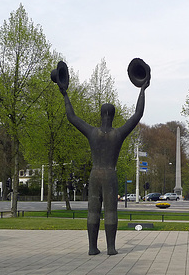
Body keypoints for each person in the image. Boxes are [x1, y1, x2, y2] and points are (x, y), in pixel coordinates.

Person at [51, 59, 150, 255]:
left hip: (95, 174)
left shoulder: (92, 133)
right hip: (110, 174)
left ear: (100, 115)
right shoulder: (118, 134)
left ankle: (92, 247)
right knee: (111, 211)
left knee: (93, 211)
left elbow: (72, 117)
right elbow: (137, 114)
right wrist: (142, 90)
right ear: (113, 116)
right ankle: (111, 247)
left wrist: (65, 94)